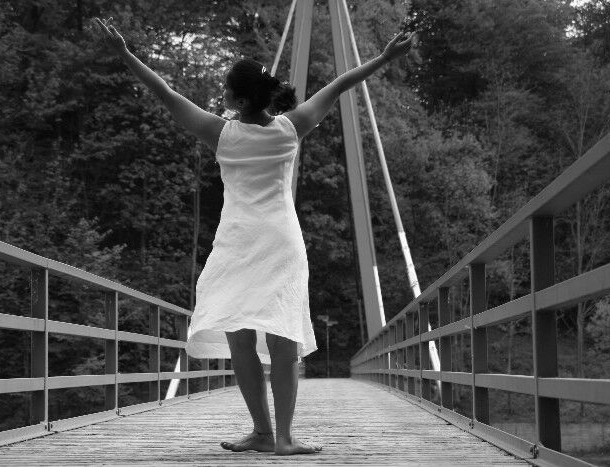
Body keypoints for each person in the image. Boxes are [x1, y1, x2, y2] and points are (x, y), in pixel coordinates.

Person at [92, 15, 416, 456]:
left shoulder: (220, 134)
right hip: (281, 242)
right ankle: (281, 437)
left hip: (237, 243)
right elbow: (340, 85)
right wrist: (384, 57)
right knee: (284, 339)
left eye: (226, 90)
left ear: (240, 99)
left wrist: (125, 54)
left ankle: (263, 431)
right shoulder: (291, 128)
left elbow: (164, 93)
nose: (222, 95)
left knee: (240, 340)